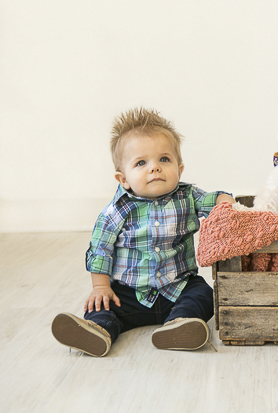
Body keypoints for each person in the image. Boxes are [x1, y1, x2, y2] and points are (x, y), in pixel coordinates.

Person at [51, 107, 235, 356]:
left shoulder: (188, 196)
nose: (155, 168)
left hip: (177, 287)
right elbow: (100, 251)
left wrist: (225, 200)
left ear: (179, 170)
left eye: (164, 159)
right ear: (123, 179)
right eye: (141, 163)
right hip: (129, 293)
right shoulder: (116, 211)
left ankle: (179, 324)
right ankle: (98, 329)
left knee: (203, 293)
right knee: (103, 304)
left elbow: (215, 200)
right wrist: (100, 287)